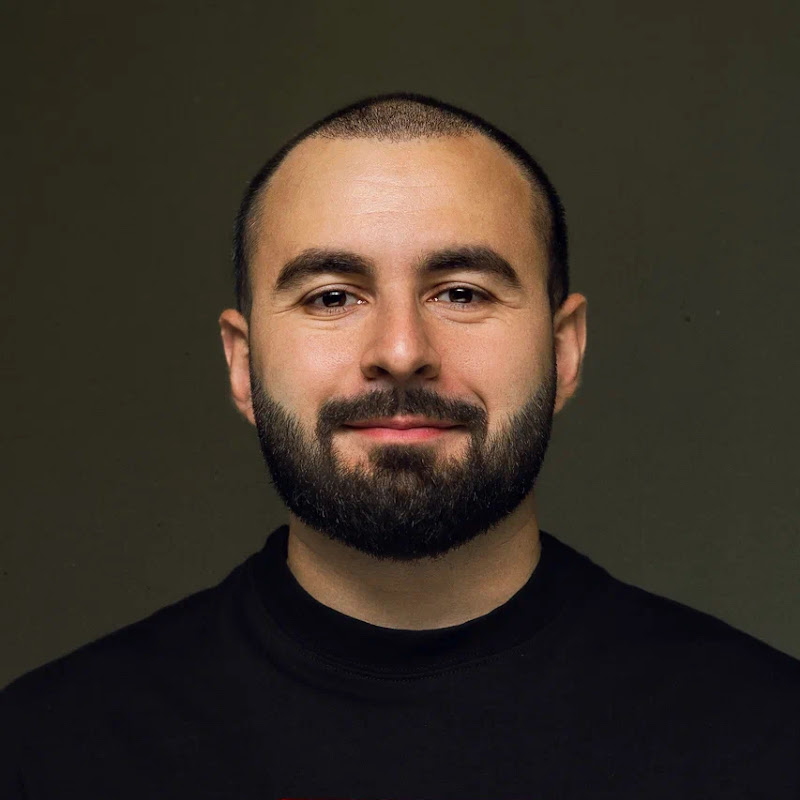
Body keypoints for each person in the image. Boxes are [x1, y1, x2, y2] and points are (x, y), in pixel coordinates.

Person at [2, 92, 798, 799]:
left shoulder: (768, 734)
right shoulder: (45, 752)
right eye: (332, 297)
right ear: (242, 366)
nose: (401, 350)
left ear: (564, 352)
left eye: (461, 292)